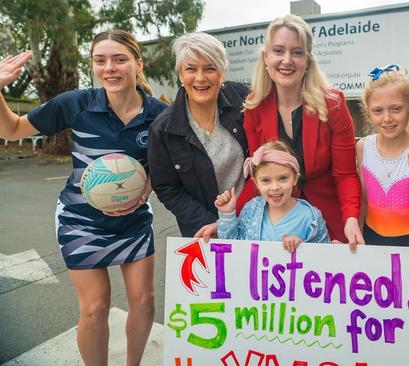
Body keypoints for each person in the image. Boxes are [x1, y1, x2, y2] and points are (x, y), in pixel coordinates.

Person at [0, 30, 168, 366]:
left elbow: (169, 168)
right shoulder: (74, 103)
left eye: (120, 59)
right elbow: (12, 129)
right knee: (94, 308)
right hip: (81, 221)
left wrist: (146, 187)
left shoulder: (160, 115)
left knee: (145, 301)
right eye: (100, 60)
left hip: (133, 220)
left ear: (137, 63)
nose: (109, 68)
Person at [243, 14, 363, 246]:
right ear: (266, 57)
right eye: (278, 51)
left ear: (307, 60)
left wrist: (350, 218)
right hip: (279, 220)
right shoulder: (253, 108)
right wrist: (227, 218)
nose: (287, 60)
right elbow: (259, 175)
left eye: (296, 52)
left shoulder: (334, 105)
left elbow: (345, 174)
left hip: (329, 217)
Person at [148, 32, 257, 240]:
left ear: (222, 72)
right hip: (205, 231)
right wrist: (210, 223)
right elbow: (167, 188)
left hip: (255, 220)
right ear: (180, 74)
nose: (200, 77)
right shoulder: (163, 129)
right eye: (191, 69)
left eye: (210, 68)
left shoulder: (245, 101)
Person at [356, 64, 409, 247]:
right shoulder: (363, 147)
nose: (387, 118)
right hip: (370, 242)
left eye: (396, 109)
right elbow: (363, 201)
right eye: (378, 110)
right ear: (367, 112)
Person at [216, 140, 330, 252]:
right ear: (256, 183)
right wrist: (227, 215)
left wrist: (302, 248)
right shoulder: (251, 209)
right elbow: (233, 250)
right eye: (266, 180)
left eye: (283, 178)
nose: (275, 187)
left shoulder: (311, 218)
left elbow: (324, 259)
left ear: (295, 178)